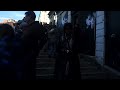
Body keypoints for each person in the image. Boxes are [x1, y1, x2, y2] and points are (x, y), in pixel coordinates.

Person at [21, 11, 45, 80]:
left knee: (29, 72)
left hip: (30, 53)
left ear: (30, 17)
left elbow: (44, 39)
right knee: (26, 72)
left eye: (26, 16)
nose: (24, 18)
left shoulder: (36, 26)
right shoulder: (29, 26)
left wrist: (36, 50)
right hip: (25, 53)